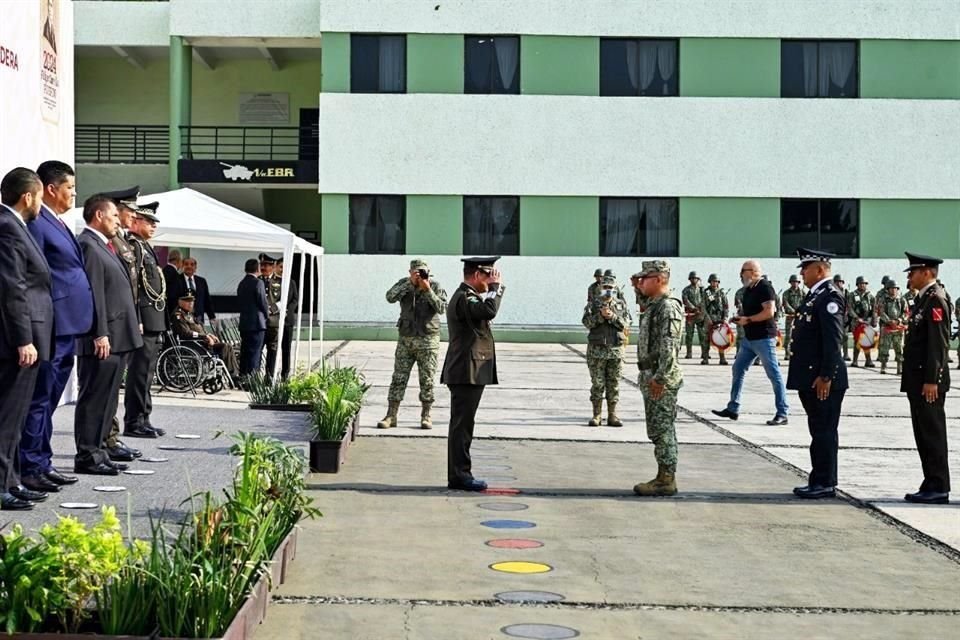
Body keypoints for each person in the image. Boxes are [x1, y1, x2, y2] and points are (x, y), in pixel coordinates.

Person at [20, 161, 90, 493]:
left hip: (67, 324)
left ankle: (42, 461)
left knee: (50, 398)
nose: (74, 193)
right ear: (51, 189)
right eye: (69, 188)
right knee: (41, 398)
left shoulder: (57, 222)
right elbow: (35, 274)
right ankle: (30, 464)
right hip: (51, 323)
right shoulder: (37, 222)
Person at [74, 195, 143, 476]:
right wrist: (99, 332)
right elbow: (94, 295)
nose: (119, 221)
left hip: (118, 335)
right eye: (115, 216)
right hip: (105, 336)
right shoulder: (89, 245)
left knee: (107, 397)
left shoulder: (105, 246)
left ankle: (100, 450)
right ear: (99, 216)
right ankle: (88, 454)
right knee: (95, 397)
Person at [0, 168, 54, 509]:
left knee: (17, 416)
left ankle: (12, 480)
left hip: (30, 334)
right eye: (39, 197)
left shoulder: (17, 226)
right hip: (17, 340)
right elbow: (12, 288)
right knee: (7, 416)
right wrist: (23, 339)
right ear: (28, 196)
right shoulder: (7, 228)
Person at [787, 249, 848, 499]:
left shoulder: (830, 296)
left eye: (806, 267)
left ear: (820, 269)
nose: (801, 272)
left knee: (824, 431)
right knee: (818, 430)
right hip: (811, 377)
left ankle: (824, 482)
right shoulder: (815, 296)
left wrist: (826, 376)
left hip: (823, 379)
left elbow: (834, 340)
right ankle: (818, 478)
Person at [440, 256, 505, 491]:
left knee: (463, 424)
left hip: (469, 371)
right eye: (489, 275)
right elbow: (489, 311)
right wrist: (496, 290)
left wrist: (492, 290)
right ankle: (460, 476)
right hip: (465, 372)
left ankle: (460, 473)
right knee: (462, 426)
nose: (492, 280)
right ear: (477, 275)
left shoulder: (467, 296)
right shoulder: (464, 297)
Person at [98, 185, 149, 457]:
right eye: (130, 210)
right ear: (116, 209)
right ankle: (107, 438)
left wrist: (136, 318)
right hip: (113, 324)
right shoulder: (110, 242)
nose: (133, 215)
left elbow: (133, 288)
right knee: (104, 389)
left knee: (114, 387)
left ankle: (111, 437)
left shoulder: (121, 241)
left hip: (125, 321)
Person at [901, 252, 951, 504]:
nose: (910, 276)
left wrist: (933, 379)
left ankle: (939, 485)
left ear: (927, 273)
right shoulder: (923, 300)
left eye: (913, 272)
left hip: (928, 381)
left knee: (932, 433)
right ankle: (931, 481)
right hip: (919, 379)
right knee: (923, 433)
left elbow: (938, 345)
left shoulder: (936, 300)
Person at [712, 260, 789, 425]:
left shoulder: (765, 287)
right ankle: (733, 408)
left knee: (773, 374)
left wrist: (748, 319)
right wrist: (739, 318)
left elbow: (769, 312)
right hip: (749, 339)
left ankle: (782, 412)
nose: (741, 274)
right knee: (738, 368)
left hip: (764, 338)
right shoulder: (748, 290)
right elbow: (749, 312)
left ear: (753, 271)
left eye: (743, 271)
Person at [633, 260, 683, 497]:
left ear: (660, 279)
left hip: (660, 377)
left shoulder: (668, 307)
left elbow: (669, 346)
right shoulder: (655, 304)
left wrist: (660, 378)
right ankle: (664, 475)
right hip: (651, 374)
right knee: (657, 429)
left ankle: (666, 479)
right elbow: (644, 302)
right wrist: (637, 287)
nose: (641, 281)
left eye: (646, 278)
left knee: (662, 429)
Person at [378, 259, 448, 430]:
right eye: (416, 272)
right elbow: (389, 297)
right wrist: (409, 284)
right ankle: (391, 415)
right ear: (409, 272)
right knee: (398, 378)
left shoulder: (435, 285)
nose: (419, 275)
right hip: (406, 340)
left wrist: (428, 290)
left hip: (428, 341)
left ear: (428, 272)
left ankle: (426, 415)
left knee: (427, 380)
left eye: (422, 272)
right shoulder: (404, 284)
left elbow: (442, 308)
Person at [123, 203, 167, 439]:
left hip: (154, 317)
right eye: (149, 221)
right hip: (145, 318)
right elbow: (135, 287)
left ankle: (143, 417)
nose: (153, 226)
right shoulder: (135, 246)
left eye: (154, 222)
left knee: (147, 374)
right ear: (136, 221)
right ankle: (134, 421)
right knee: (139, 373)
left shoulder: (145, 247)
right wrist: (138, 318)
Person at [582, 274, 630, 427]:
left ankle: (612, 415)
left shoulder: (621, 305)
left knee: (614, 383)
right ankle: (597, 415)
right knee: (598, 384)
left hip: (616, 351)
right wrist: (600, 316)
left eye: (610, 288)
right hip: (597, 351)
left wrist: (612, 317)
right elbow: (587, 323)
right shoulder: (592, 305)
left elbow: (626, 324)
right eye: (605, 287)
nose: (608, 291)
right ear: (600, 288)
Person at [170, 293, 240, 378]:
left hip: (202, 343)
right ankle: (233, 375)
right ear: (180, 302)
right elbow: (186, 333)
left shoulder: (189, 314)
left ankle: (235, 374)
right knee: (224, 347)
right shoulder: (179, 315)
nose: (191, 303)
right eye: (188, 301)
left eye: (192, 301)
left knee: (228, 347)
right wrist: (204, 336)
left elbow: (199, 328)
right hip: (194, 344)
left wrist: (209, 334)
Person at [237, 258, 268, 376]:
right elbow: (262, 302)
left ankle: (243, 376)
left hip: (244, 323)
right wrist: (267, 315)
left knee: (245, 351)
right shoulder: (258, 282)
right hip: (257, 323)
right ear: (257, 269)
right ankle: (252, 378)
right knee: (255, 352)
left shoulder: (242, 283)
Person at [274, 257, 299, 380]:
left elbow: (295, 299)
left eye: (285, 267)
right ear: (276, 267)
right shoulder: (272, 281)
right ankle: (271, 372)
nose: (283, 269)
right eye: (281, 267)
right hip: (274, 319)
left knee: (286, 348)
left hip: (287, 320)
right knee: (273, 348)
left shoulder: (291, 282)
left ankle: (285, 373)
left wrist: (287, 309)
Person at [171, 256, 215, 324]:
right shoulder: (176, 280)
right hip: (183, 321)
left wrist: (212, 317)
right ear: (182, 266)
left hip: (199, 319)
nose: (189, 266)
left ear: (195, 268)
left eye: (192, 264)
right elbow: (172, 299)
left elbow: (207, 301)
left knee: (200, 335)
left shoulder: (202, 281)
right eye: (186, 264)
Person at [877, 280, 907, 376]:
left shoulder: (901, 300)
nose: (893, 290)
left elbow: (906, 313)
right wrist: (889, 321)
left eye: (895, 288)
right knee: (884, 347)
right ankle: (883, 366)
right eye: (891, 288)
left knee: (899, 348)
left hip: (898, 327)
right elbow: (881, 312)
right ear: (888, 289)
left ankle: (900, 367)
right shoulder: (883, 300)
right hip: (887, 327)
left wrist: (898, 320)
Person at [700, 273, 729, 365]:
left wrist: (725, 318)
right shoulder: (706, 292)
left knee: (721, 339)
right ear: (710, 282)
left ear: (718, 282)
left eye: (716, 281)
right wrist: (707, 318)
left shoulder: (722, 293)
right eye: (712, 281)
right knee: (706, 339)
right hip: (709, 319)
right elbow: (703, 306)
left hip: (719, 319)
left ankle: (722, 358)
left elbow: (726, 306)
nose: (714, 283)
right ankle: (705, 358)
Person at [849, 276, 876, 368]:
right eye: (860, 283)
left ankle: (868, 360)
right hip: (857, 322)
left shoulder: (870, 296)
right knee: (857, 340)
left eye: (864, 283)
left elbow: (874, 309)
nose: (862, 285)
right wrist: (856, 318)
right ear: (857, 284)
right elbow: (850, 308)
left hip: (867, 321)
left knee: (867, 341)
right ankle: (855, 361)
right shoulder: (852, 295)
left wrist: (872, 320)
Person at [681, 271, 705, 360]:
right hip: (690, 316)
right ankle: (689, 353)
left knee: (702, 335)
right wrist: (694, 308)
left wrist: (700, 308)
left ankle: (704, 353)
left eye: (695, 278)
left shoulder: (702, 290)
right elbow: (685, 300)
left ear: (698, 279)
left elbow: (705, 300)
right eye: (692, 278)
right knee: (689, 335)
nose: (693, 280)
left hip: (700, 316)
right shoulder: (686, 290)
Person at [781, 274, 805, 362]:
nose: (794, 283)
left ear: (798, 283)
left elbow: (806, 303)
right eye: (793, 282)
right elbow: (785, 304)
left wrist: (800, 311)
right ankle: (787, 353)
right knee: (788, 336)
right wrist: (794, 312)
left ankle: (799, 353)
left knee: (800, 335)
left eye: (796, 282)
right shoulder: (786, 293)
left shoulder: (803, 293)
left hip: (800, 317)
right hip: (790, 317)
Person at [833, 274, 851, 361]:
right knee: (835, 337)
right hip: (835, 318)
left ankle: (846, 354)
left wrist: (846, 315)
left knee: (845, 337)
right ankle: (837, 353)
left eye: (840, 282)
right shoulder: (832, 293)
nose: (838, 283)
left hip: (844, 318)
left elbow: (849, 305)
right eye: (836, 282)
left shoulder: (847, 293)